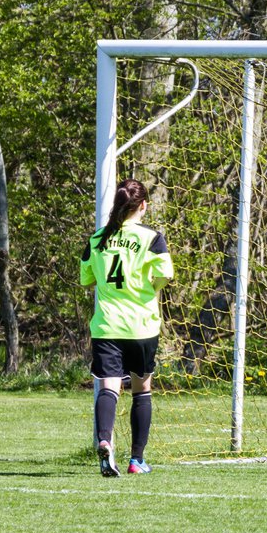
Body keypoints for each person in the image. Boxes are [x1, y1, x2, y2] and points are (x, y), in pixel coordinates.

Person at [80, 180, 173, 477]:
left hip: (107, 326)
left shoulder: (97, 239)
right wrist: (149, 287)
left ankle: (105, 441)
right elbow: (166, 274)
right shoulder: (152, 238)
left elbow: (86, 280)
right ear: (143, 205)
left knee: (109, 387)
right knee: (141, 390)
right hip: (141, 327)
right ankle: (136, 460)